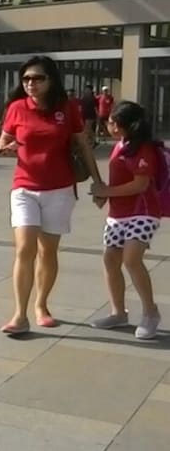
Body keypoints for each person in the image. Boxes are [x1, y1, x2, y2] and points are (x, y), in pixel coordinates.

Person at [0, 56, 101, 335]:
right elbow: (2, 139)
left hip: (60, 189)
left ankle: (41, 305)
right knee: (24, 248)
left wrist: (100, 182)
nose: (31, 83)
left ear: (51, 80)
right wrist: (3, 147)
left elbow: (83, 146)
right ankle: (19, 314)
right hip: (24, 187)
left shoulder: (68, 108)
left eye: (38, 78)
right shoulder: (17, 107)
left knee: (48, 251)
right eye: (26, 78)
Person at [89, 102, 162, 339]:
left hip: (143, 211)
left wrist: (106, 191)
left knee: (131, 259)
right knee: (111, 259)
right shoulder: (120, 145)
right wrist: (103, 195)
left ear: (125, 125)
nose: (108, 125)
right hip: (117, 214)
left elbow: (140, 184)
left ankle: (150, 313)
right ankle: (118, 313)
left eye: (112, 121)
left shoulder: (144, 149)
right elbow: (117, 179)